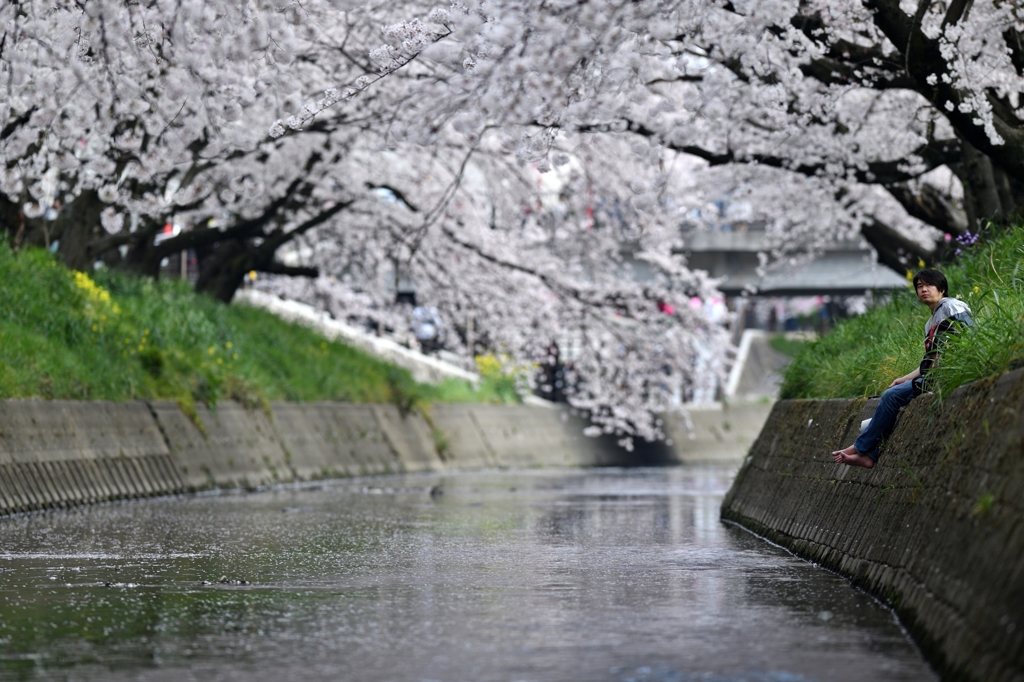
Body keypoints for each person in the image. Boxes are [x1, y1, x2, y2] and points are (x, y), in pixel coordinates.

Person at [832, 269, 973, 468]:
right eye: (919, 286)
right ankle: (869, 454)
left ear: (942, 289)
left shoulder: (952, 306)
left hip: (947, 374)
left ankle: (860, 448)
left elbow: (966, 338)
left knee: (891, 397)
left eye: (928, 285)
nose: (923, 290)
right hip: (933, 375)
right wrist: (905, 378)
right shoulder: (929, 323)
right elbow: (930, 360)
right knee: (892, 394)